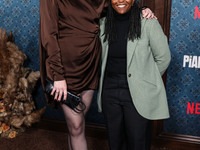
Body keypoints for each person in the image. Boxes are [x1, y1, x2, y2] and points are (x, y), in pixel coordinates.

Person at [39, 0, 156, 150]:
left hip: (89, 63)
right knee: (76, 126)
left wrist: (141, 9)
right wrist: (58, 75)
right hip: (64, 68)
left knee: (78, 125)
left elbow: (118, 7)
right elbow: (48, 34)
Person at [97, 0, 171, 150]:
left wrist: (145, 78)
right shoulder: (103, 24)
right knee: (115, 141)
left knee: (138, 141)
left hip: (138, 90)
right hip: (109, 89)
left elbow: (164, 57)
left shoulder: (147, 22)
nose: (121, 0)